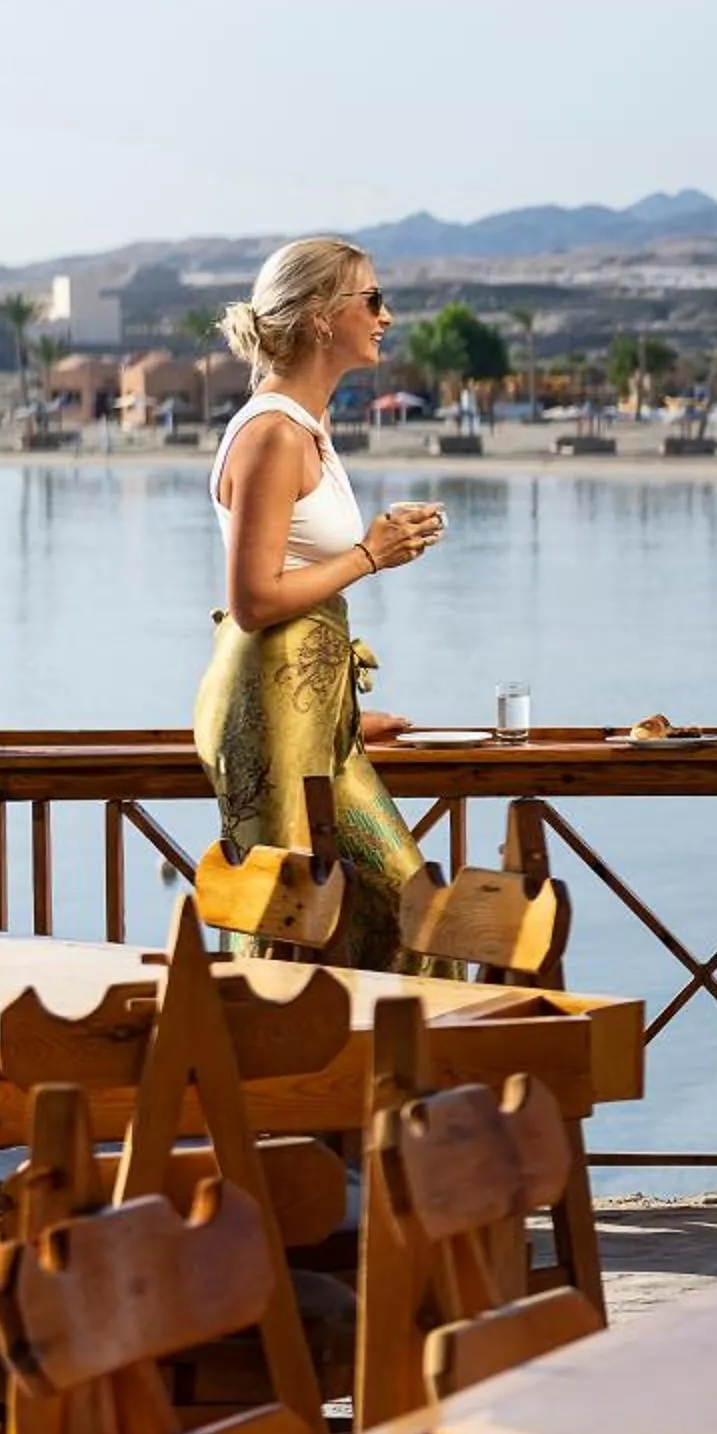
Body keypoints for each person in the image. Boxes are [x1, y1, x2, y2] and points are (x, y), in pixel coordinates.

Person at [193, 237, 449, 971]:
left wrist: (336, 714)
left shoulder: (305, 425)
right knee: (283, 931)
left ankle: (384, 1083)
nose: (387, 316)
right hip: (268, 718)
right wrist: (371, 555)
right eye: (371, 300)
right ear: (317, 316)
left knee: (414, 918)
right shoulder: (273, 434)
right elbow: (251, 601)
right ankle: (248, 1080)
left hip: (308, 717)